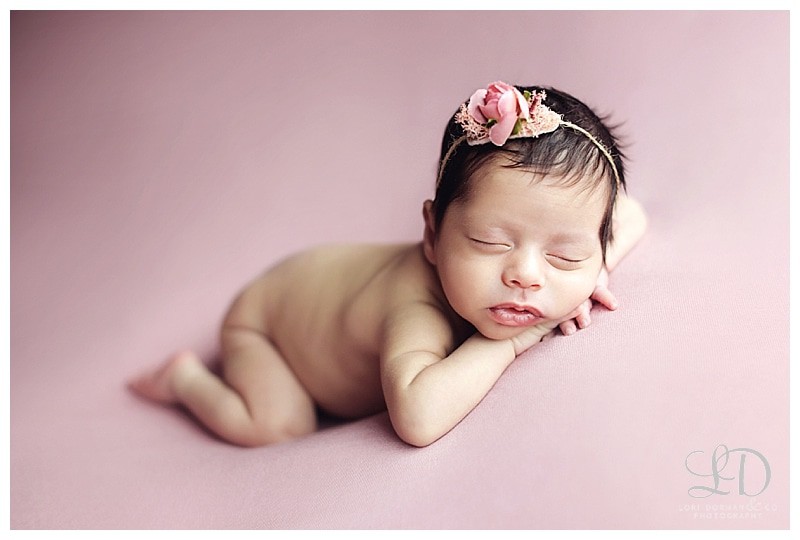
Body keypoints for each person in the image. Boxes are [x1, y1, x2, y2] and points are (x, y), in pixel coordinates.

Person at [129, 81, 647, 448]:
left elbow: (632, 213)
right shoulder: (415, 306)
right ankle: (184, 379)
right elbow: (417, 418)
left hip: (322, 279)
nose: (527, 275)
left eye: (564, 254)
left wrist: (593, 272)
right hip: (268, 322)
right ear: (430, 233)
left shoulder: (561, 254)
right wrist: (512, 340)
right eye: (490, 241)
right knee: (278, 426)